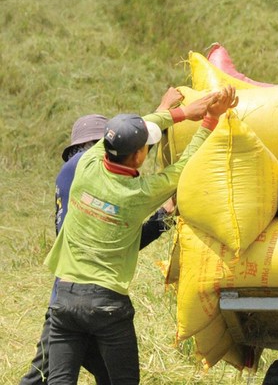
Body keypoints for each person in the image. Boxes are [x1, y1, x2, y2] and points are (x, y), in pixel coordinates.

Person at [43, 85, 238, 385]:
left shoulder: (87, 164)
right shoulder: (138, 194)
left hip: (64, 300)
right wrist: (209, 119)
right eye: (146, 147)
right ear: (137, 157)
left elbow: (142, 125)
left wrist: (183, 112)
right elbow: (186, 166)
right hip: (106, 305)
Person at [21, 90, 185, 385]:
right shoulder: (95, 173)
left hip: (66, 294)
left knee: (57, 375)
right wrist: (163, 218)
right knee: (42, 375)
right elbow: (124, 235)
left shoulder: (74, 172)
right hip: (99, 297)